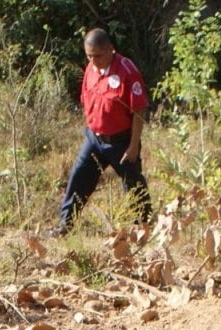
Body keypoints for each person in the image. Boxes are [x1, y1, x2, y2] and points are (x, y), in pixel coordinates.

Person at [51, 28, 152, 237]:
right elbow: (87, 99)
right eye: (89, 56)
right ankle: (65, 226)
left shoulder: (126, 70)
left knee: (133, 185)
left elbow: (139, 110)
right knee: (78, 178)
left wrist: (133, 145)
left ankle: (143, 228)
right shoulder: (90, 69)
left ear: (110, 49)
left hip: (121, 141)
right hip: (94, 138)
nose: (93, 60)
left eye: (97, 55)